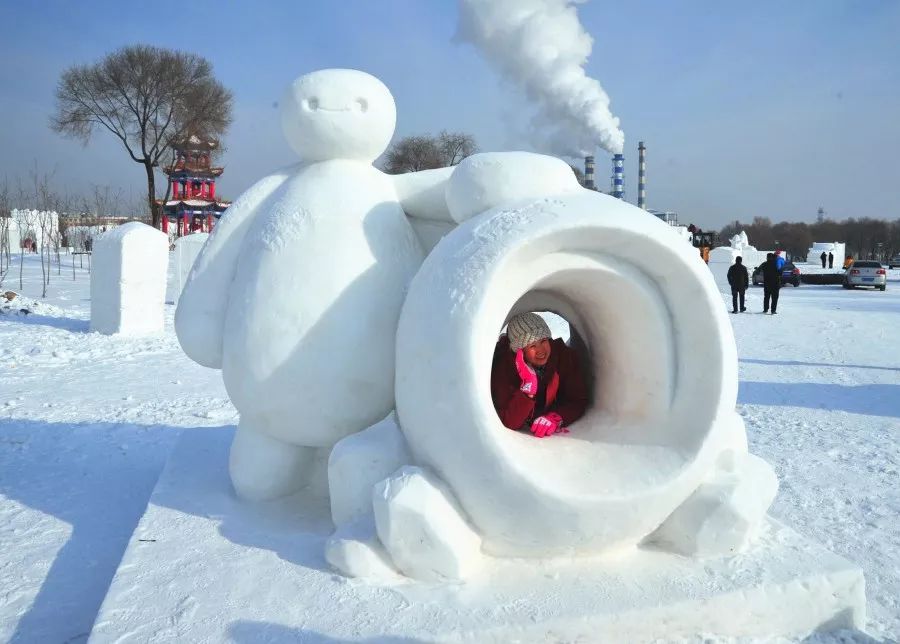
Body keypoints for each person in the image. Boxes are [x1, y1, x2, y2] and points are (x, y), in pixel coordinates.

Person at [491, 312, 588, 438]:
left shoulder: (562, 356)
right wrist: (527, 390)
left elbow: (578, 399)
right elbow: (509, 421)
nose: (541, 350)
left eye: (543, 341)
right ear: (520, 351)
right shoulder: (504, 369)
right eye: (532, 346)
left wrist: (557, 417)